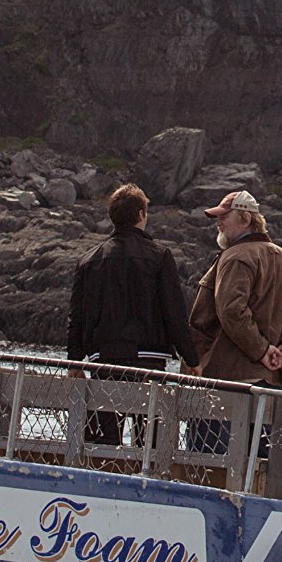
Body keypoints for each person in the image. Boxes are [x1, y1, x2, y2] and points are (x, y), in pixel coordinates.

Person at [69, 184, 197, 444]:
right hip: (150, 361)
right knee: (149, 442)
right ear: (141, 214)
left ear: (112, 216)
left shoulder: (89, 261)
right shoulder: (160, 257)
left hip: (105, 359)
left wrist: (74, 360)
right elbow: (174, 313)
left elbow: (77, 317)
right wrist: (191, 357)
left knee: (102, 443)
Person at [187, 190, 282, 452]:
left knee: (208, 466)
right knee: (262, 466)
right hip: (269, 385)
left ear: (245, 219)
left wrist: (262, 350)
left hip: (226, 383)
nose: (218, 223)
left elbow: (232, 310)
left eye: (224, 217)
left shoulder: (236, 257)